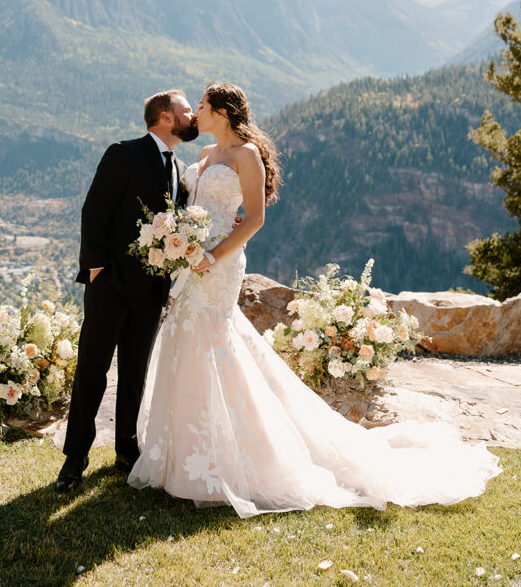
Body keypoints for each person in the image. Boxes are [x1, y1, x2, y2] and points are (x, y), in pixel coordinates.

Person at [128, 82, 501, 517]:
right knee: (186, 345)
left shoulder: (246, 156)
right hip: (193, 266)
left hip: (221, 265)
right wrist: (181, 244)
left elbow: (255, 218)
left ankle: (231, 461)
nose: (197, 115)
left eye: (204, 107)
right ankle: (184, 455)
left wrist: (213, 254)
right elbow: (193, 211)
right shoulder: (205, 156)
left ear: (224, 114)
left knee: (215, 344)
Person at [56, 89, 198, 492]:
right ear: (166, 117)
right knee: (92, 372)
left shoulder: (180, 167)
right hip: (111, 286)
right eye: (186, 109)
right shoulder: (124, 152)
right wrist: (97, 270)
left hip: (152, 292)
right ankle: (74, 459)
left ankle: (126, 450)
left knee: (135, 373)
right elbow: (94, 210)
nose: (193, 116)